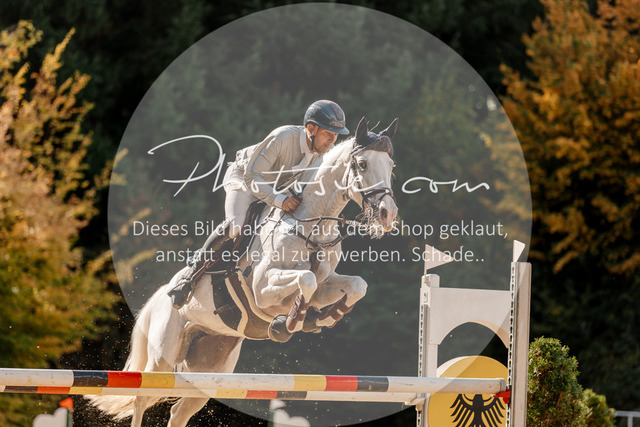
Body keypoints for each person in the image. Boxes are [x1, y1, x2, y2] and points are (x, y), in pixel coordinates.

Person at [168, 100, 350, 309]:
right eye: (328, 134)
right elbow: (252, 176)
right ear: (311, 128)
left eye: (336, 135)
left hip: (278, 190)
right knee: (236, 225)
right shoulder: (283, 137)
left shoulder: (323, 154)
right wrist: (280, 200)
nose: (332, 141)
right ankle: (190, 276)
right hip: (244, 179)